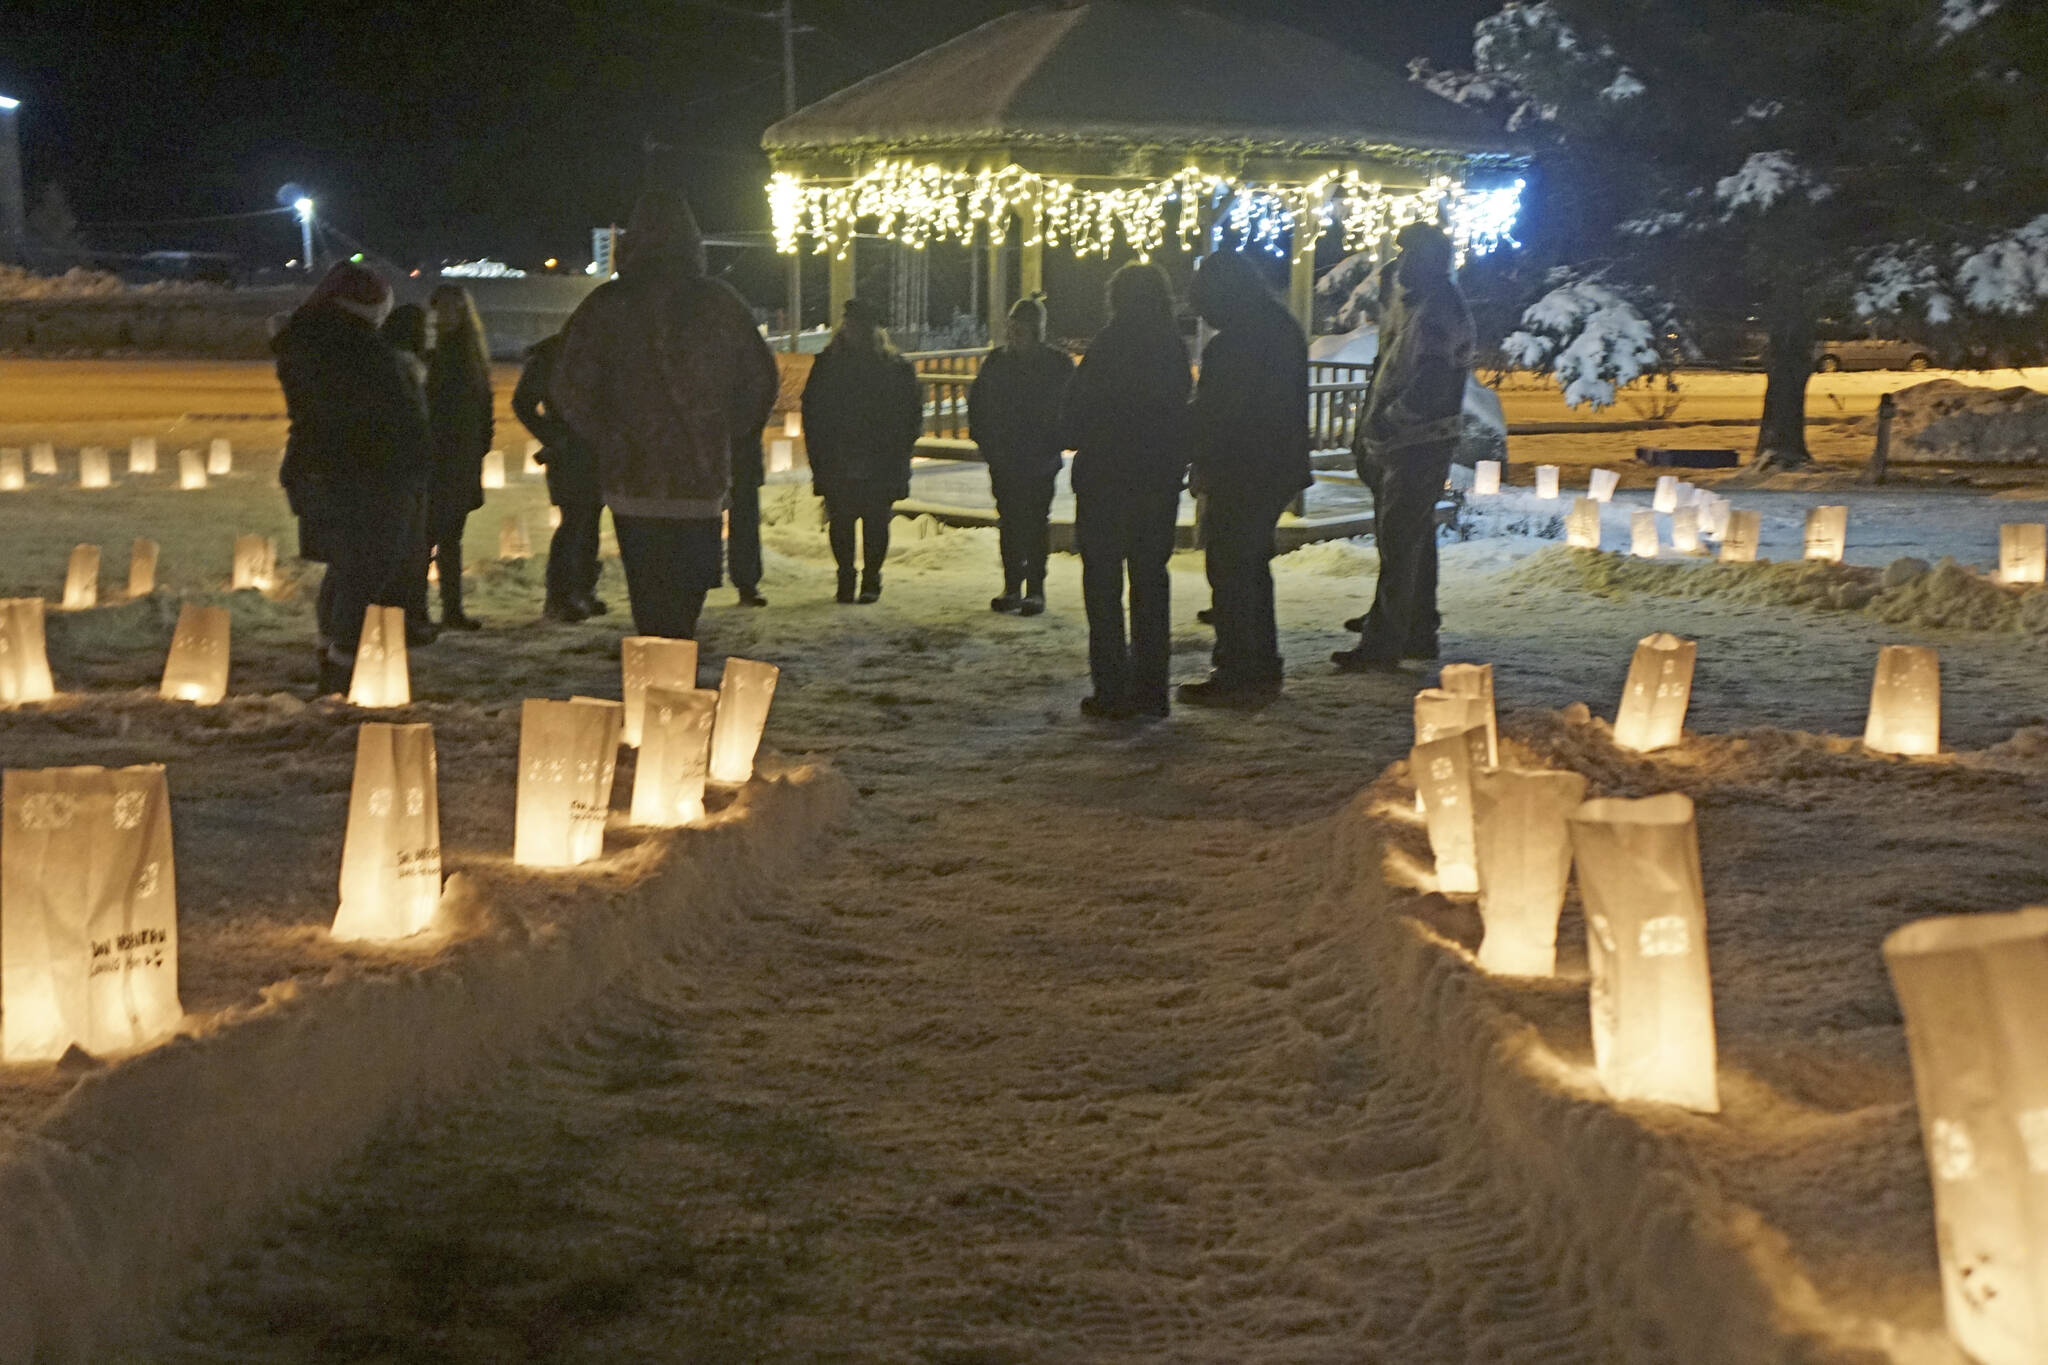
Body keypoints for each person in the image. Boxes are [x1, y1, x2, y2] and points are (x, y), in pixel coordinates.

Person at [555, 189, 778, 639]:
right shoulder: (721, 303)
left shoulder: (607, 306)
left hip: (631, 477)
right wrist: (722, 430)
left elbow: (569, 385)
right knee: (688, 592)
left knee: (648, 588)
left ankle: (654, 672)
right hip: (700, 475)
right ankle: (677, 666)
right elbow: (761, 380)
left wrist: (608, 434)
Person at [273, 262, 432, 696]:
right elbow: (377, 418)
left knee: (347, 566)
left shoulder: (316, 342)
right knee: (367, 566)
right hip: (366, 473)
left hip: (327, 470)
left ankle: (333, 654)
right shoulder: (355, 351)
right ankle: (342, 663)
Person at [1334, 223, 1474, 670]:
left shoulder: (1438, 311)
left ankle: (1386, 639)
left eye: (1412, 256)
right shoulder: (1411, 302)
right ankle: (1413, 624)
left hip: (1420, 440)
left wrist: (1387, 424)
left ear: (1433, 262)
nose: (1402, 264)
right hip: (1403, 439)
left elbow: (1430, 382)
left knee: (1399, 537)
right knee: (1412, 535)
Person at [1060, 263, 1192, 721]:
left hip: (1105, 481)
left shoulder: (1109, 347)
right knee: (1150, 580)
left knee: (1103, 584)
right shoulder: (1172, 349)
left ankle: (1111, 685)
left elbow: (1075, 413)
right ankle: (1152, 687)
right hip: (1155, 481)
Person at [1178, 251, 1310, 708]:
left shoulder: (1236, 344)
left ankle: (1236, 668)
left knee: (1231, 568)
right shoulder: (1281, 327)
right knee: (1251, 566)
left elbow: (1219, 415)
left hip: (1242, 469)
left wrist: (1191, 449)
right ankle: (1259, 663)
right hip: (1274, 467)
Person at [800, 297, 921, 604]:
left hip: (875, 455)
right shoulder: (833, 364)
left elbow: (910, 415)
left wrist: (899, 448)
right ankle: (847, 575)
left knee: (873, 520)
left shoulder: (889, 367)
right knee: (844, 519)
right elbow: (813, 412)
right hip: (843, 454)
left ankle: (869, 577)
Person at [969, 295, 1073, 615]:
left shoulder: (1056, 364)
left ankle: (1035, 588)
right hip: (1004, 455)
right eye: (1012, 328)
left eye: (1021, 328)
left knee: (1035, 521)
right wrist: (987, 444)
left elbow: (1067, 407)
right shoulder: (997, 362)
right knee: (1010, 521)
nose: (1015, 334)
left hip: (1039, 456)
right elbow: (979, 407)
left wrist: (1055, 440)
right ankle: (1013, 585)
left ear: (1035, 330)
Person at [513, 330, 607, 622]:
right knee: (575, 519)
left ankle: (582, 588)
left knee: (590, 518)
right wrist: (553, 437)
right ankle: (560, 595)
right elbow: (523, 403)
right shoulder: (551, 356)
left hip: (595, 448)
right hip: (569, 452)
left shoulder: (600, 350)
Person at [421, 284, 494, 631]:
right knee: (427, 538)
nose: (445, 316)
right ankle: (418, 609)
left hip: (459, 458)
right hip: (437, 458)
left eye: (452, 309)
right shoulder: (431, 353)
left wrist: (481, 444)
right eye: (441, 309)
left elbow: (483, 404)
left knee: (448, 537)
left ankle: (450, 609)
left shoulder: (467, 355)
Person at [727, 430, 767, 607]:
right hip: (741, 452)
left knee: (745, 520)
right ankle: (747, 582)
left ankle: (747, 583)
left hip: (741, 452)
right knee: (745, 520)